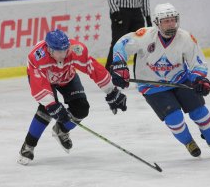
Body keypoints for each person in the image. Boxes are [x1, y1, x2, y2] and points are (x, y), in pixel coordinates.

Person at [109, 3, 210, 157]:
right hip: (152, 86)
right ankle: (188, 142)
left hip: (180, 79)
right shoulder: (145, 36)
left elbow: (196, 61)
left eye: (173, 20)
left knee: (200, 113)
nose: (171, 24)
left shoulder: (185, 37)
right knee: (175, 118)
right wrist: (119, 65)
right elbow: (122, 43)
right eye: (166, 21)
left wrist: (200, 79)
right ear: (157, 22)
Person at [17, 29, 127, 165]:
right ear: (49, 49)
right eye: (59, 51)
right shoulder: (36, 57)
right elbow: (38, 84)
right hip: (45, 80)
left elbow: (92, 67)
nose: (63, 54)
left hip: (67, 77)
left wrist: (111, 90)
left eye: (65, 50)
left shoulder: (75, 49)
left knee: (82, 109)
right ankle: (28, 145)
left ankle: (61, 130)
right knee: (46, 110)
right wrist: (51, 105)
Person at [105, 0, 152, 71]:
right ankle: (109, 73)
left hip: (137, 12)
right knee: (118, 43)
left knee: (141, 43)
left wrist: (147, 16)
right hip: (121, 11)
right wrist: (115, 12)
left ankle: (140, 73)